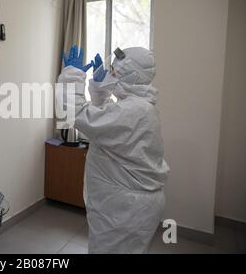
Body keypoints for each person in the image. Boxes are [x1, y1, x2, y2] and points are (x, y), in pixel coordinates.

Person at [58, 45, 169, 254]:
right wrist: (101, 88)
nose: (111, 74)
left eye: (115, 72)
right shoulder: (140, 106)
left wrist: (72, 76)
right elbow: (108, 125)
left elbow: (81, 116)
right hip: (130, 204)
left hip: (124, 209)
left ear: (130, 77)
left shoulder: (134, 111)